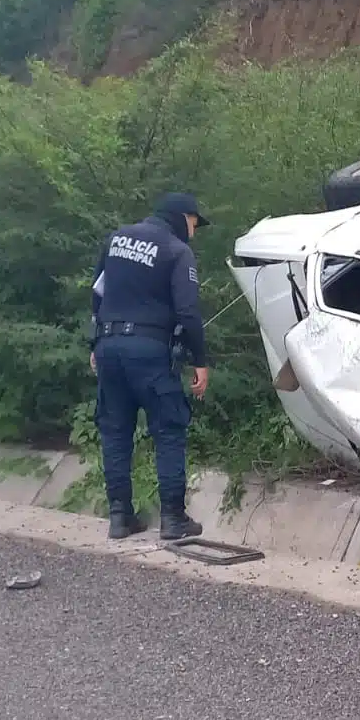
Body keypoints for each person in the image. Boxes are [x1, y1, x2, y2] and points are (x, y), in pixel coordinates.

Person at [88, 192, 211, 541]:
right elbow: (187, 312)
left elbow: (97, 294)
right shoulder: (176, 251)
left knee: (115, 432)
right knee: (169, 430)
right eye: (194, 223)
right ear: (181, 217)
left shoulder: (116, 240)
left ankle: (120, 517)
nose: (194, 231)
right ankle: (173, 519)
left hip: (109, 346)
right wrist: (200, 361)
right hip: (150, 353)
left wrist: (95, 344)